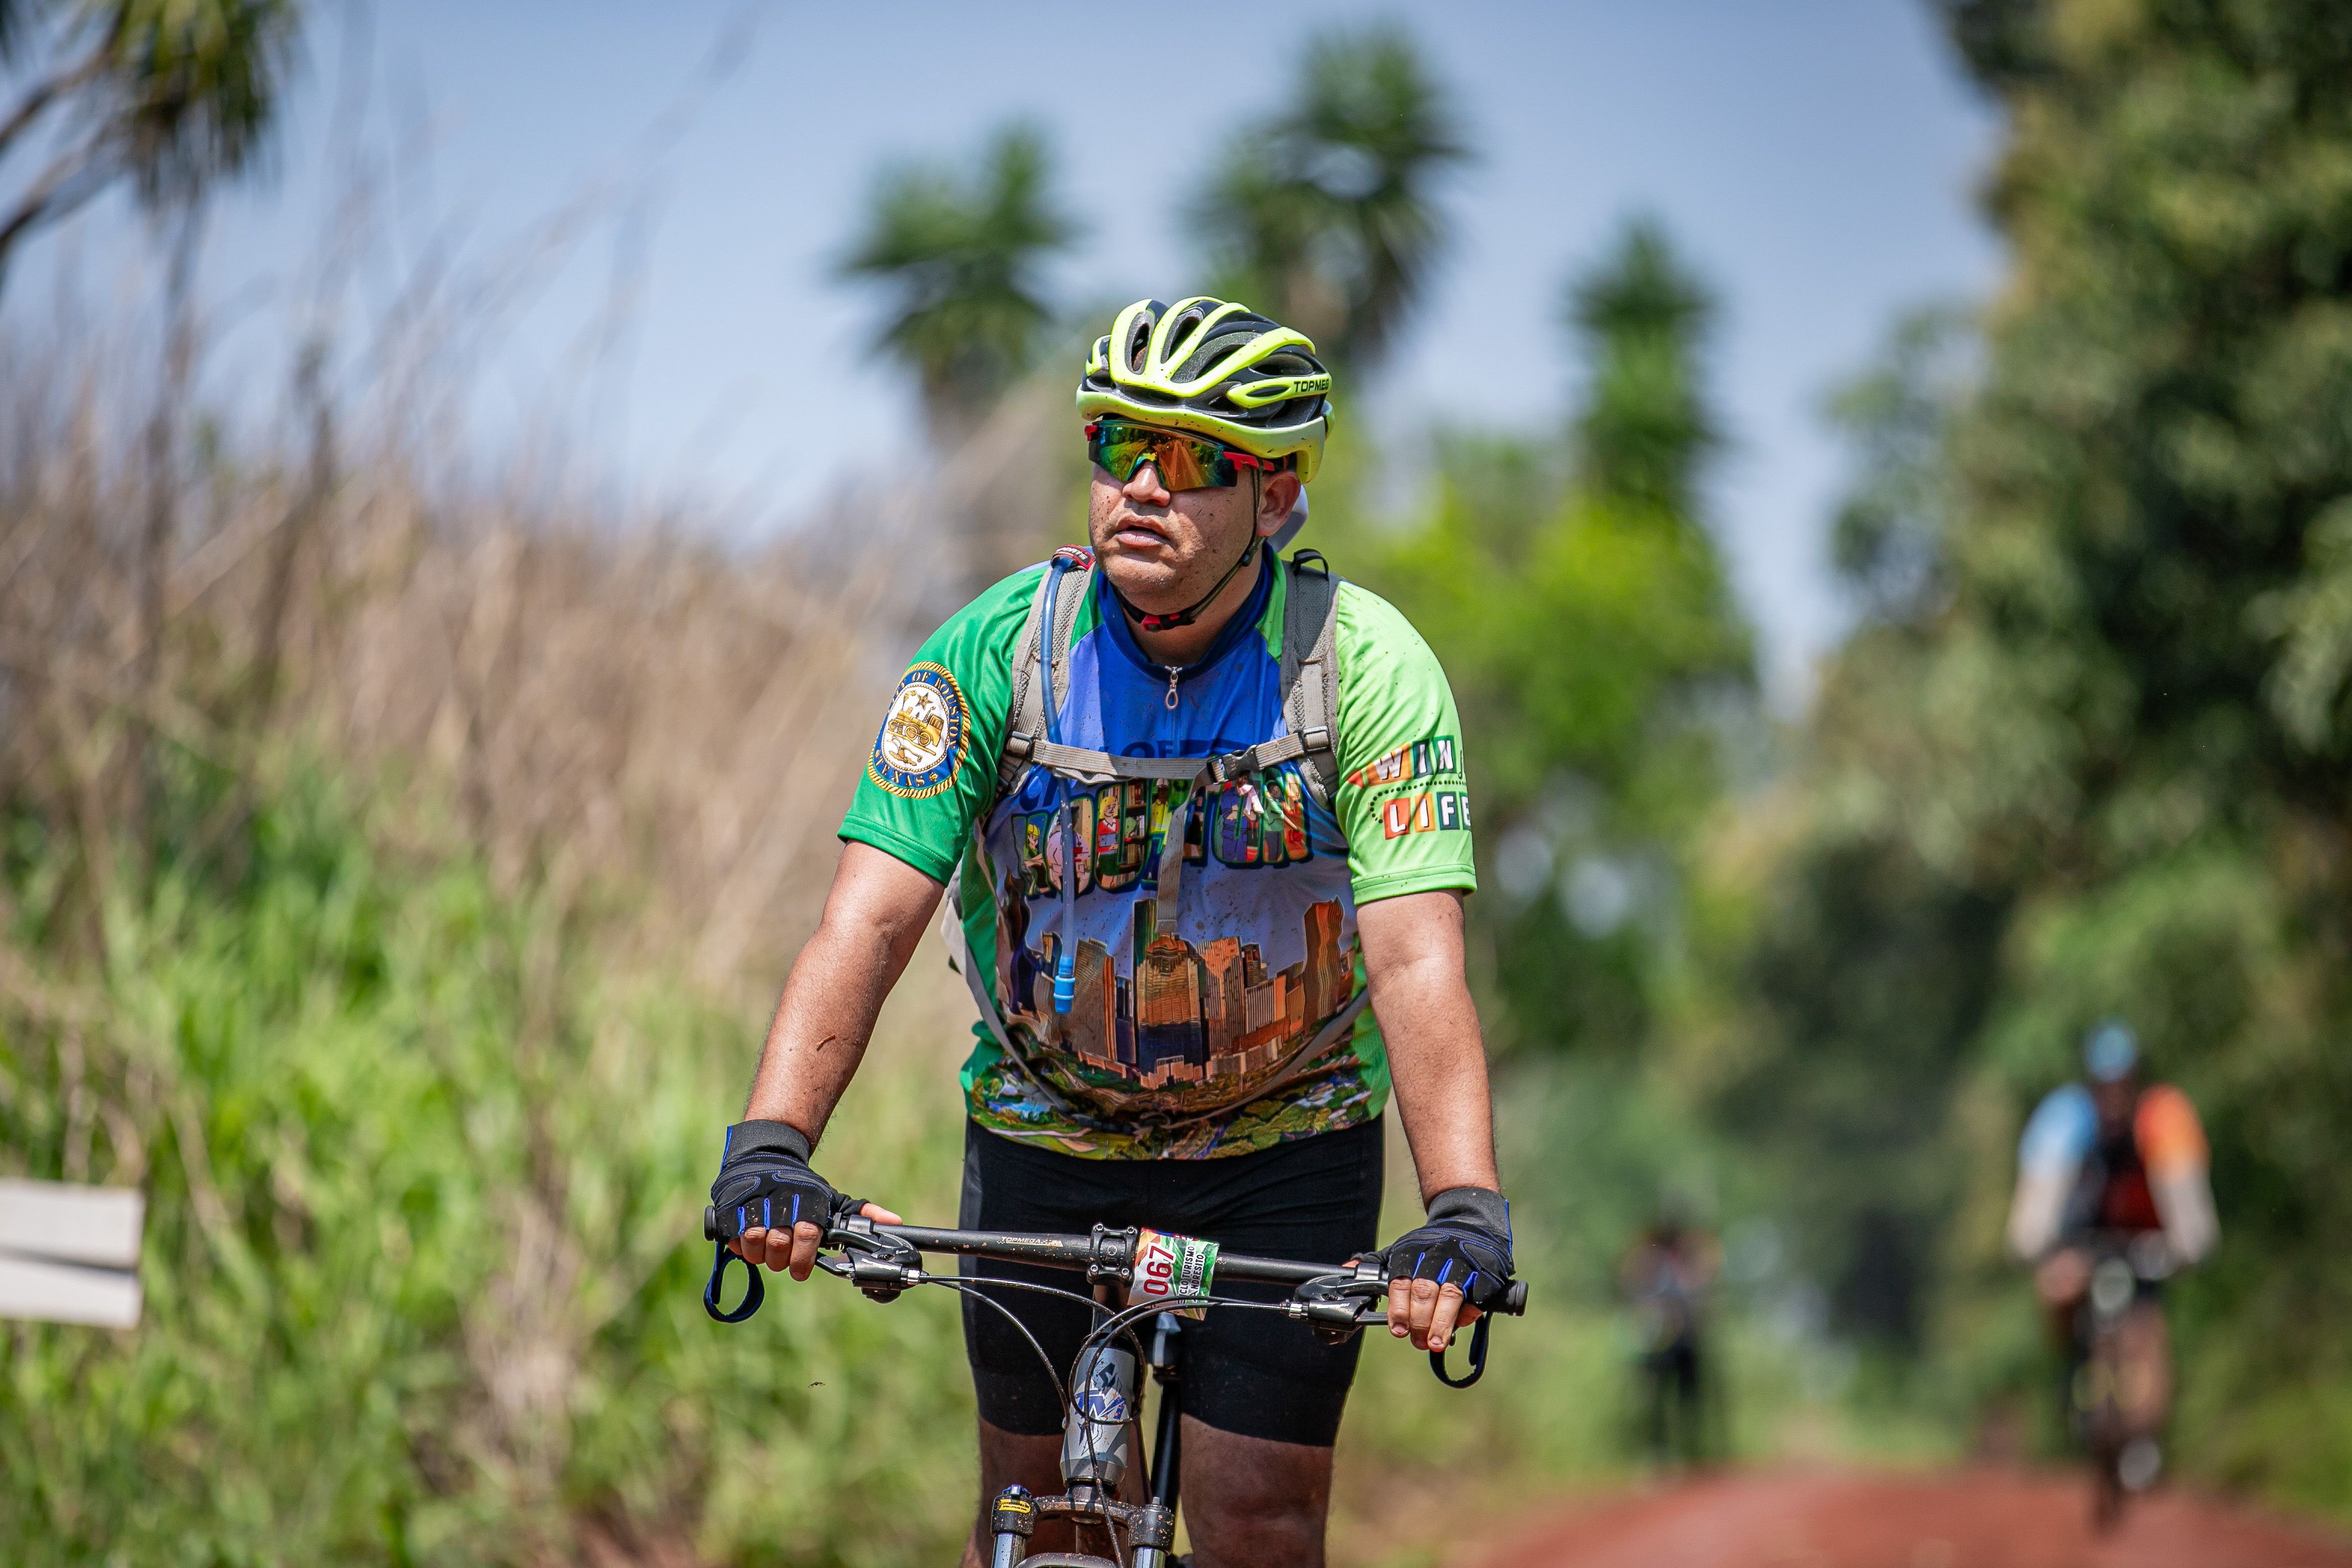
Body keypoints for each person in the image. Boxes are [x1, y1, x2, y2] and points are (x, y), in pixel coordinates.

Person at [706, 297, 1514, 1568]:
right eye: (1117, 444)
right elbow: (867, 918)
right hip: (1046, 1133)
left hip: (1283, 1146)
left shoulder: (1362, 667)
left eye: (1192, 460)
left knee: (1255, 1519)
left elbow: (1415, 957)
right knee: (1042, 1517)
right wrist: (773, 1143)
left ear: (1277, 494)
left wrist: (1461, 1205)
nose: (1143, 486)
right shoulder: (993, 653)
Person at [2007, 1020, 2217, 1491]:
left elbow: (2192, 1217)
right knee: (2059, 1289)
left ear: (2137, 1080)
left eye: (2123, 1084)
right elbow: (2033, 1216)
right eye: (2104, 1086)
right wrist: (2041, 1249)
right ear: (2090, 1084)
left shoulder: (2164, 1118)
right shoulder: (2064, 1120)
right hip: (2081, 1244)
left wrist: (2183, 1250)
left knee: (2147, 1331)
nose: (2114, 1097)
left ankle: (2146, 1436)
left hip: (2146, 1248)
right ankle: (2070, 1372)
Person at [1618, 1207, 1717, 1465]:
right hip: (1660, 1341)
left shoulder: (1685, 1262)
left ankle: (1691, 1451)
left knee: (1688, 1399)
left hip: (1684, 1340)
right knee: (1659, 1400)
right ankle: (1661, 1452)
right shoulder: (1650, 1260)